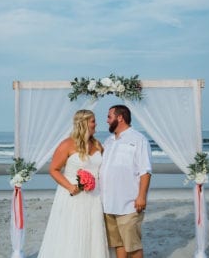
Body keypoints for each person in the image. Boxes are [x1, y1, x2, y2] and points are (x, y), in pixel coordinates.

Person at [37, 109, 110, 258]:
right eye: (93, 121)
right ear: (83, 123)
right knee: (72, 232)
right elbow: (54, 169)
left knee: (93, 232)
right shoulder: (66, 144)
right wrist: (70, 187)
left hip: (94, 197)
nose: (96, 124)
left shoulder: (98, 145)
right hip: (72, 196)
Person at [99, 105, 152, 258]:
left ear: (120, 117)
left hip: (128, 204)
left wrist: (141, 196)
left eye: (109, 117)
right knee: (118, 244)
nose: (107, 121)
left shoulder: (138, 140)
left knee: (133, 246)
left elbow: (145, 171)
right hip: (108, 203)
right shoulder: (108, 141)